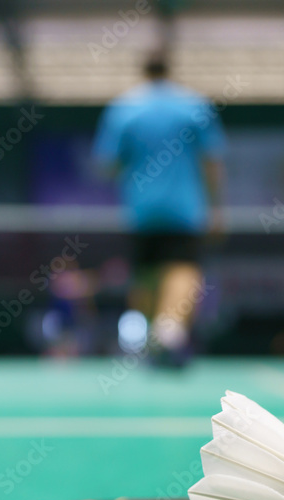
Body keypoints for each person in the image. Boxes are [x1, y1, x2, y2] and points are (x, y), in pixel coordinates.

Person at [93, 52, 225, 367]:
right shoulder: (194, 107)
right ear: (170, 69)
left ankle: (157, 336)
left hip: (141, 210)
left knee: (148, 274)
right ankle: (169, 332)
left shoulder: (123, 110)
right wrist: (216, 207)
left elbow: (107, 165)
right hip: (184, 209)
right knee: (183, 268)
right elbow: (212, 162)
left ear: (143, 70)